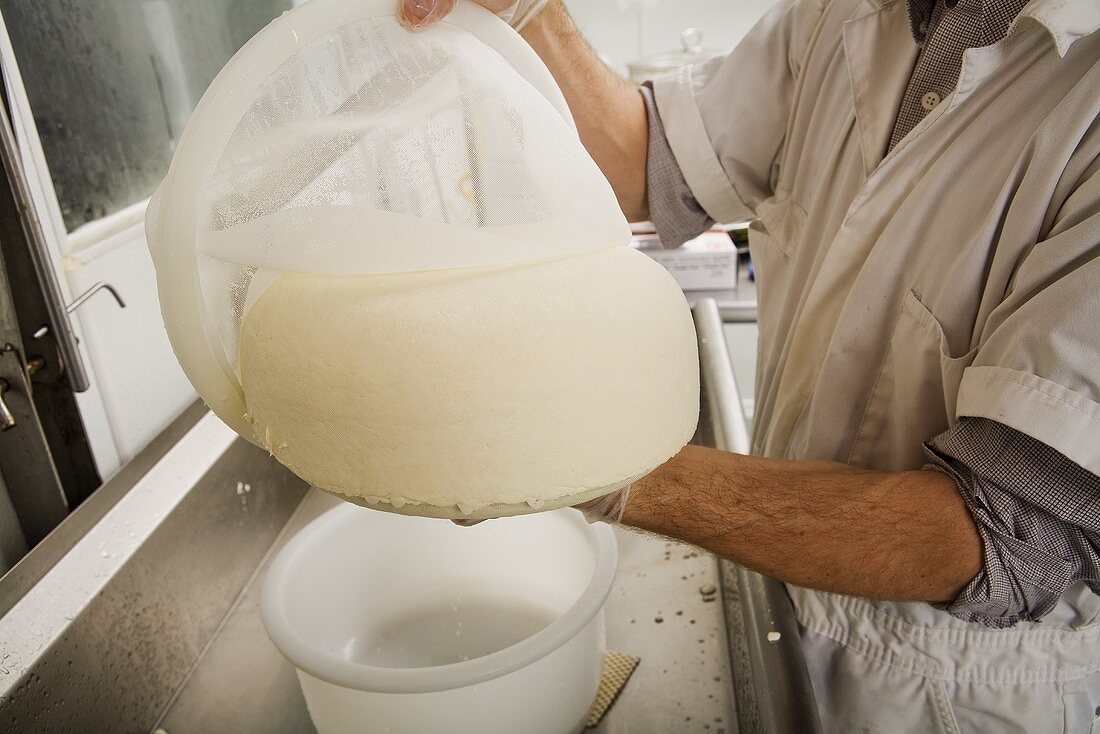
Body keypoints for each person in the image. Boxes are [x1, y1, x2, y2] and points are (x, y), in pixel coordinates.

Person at [401, 0, 1100, 730]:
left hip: (951, 691)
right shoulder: (848, 12)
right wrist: (528, 10)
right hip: (783, 594)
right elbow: (659, 165)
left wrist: (597, 469)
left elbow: (993, 536)